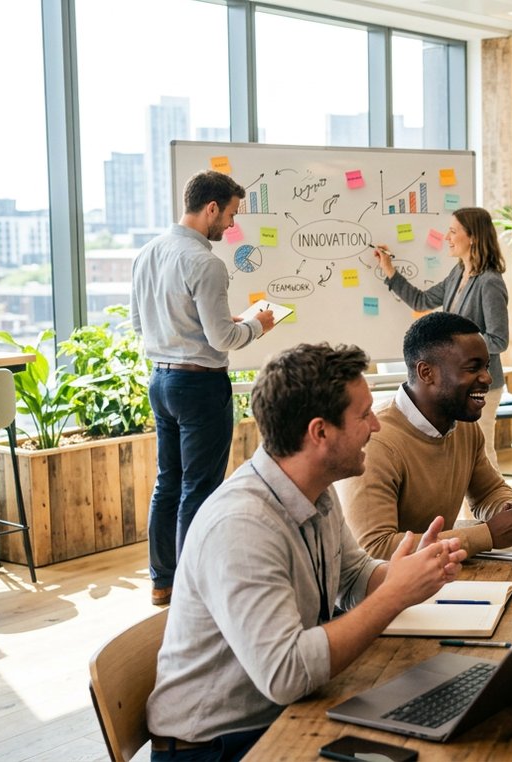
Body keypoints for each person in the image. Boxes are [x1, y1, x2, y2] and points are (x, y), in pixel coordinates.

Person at [147, 343, 467, 759]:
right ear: (320, 433)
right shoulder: (241, 525)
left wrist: (407, 573)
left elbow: (352, 576)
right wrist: (393, 595)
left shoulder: (315, 490)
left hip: (285, 713)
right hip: (218, 747)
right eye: (363, 415)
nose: (376, 425)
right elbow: (287, 674)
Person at [131, 170, 276, 607]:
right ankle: (194, 587)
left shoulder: (147, 253)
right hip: (200, 385)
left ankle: (163, 582)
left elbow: (141, 324)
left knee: (168, 483)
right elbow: (224, 339)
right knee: (200, 487)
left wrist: (207, 324)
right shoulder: (206, 262)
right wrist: (258, 324)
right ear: (211, 207)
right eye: (231, 214)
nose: (232, 224)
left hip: (161, 381)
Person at [338, 312, 512, 560]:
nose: (487, 378)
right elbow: (375, 548)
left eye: (486, 366)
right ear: (426, 373)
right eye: (473, 368)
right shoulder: (376, 442)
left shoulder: (463, 425)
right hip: (392, 582)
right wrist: (487, 535)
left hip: (439, 573)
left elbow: (488, 492)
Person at [373, 206, 510, 467]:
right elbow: (421, 300)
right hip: (455, 383)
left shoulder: (490, 282)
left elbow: (499, 340)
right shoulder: (458, 274)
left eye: (453, 231)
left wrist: (459, 349)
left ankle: (498, 496)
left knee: (482, 455)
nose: (447, 237)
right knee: (461, 456)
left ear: (473, 237)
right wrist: (389, 269)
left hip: (481, 384)